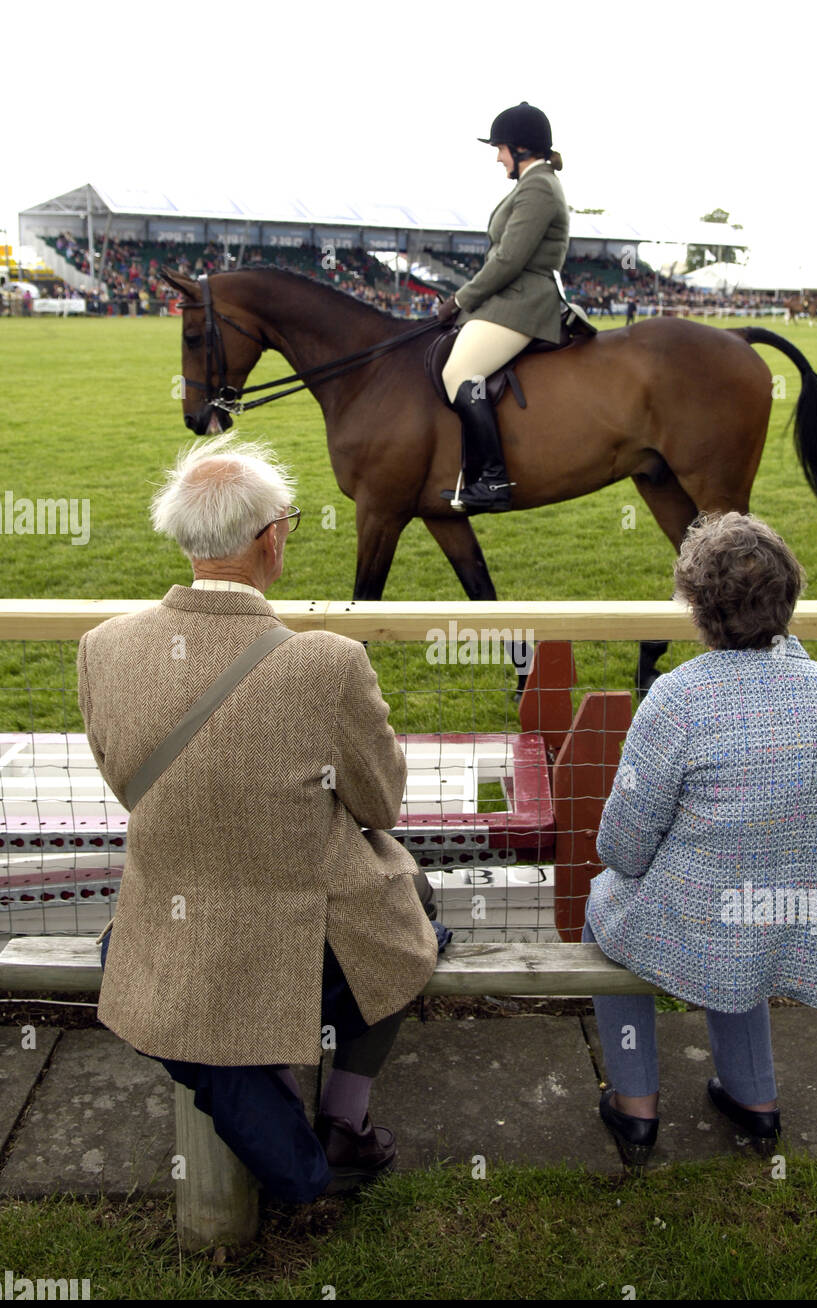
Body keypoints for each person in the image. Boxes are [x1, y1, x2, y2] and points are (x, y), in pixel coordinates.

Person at [77, 432, 440, 1203]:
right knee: (414, 918)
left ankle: (284, 1104)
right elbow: (380, 806)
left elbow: (131, 785)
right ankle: (343, 1118)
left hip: (168, 920)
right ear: (272, 538)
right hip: (301, 938)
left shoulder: (102, 648)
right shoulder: (326, 663)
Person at [583, 512, 817, 1168]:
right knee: (741, 921)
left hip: (721, 921)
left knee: (603, 910)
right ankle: (756, 1100)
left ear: (697, 604)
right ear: (788, 596)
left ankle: (636, 1110)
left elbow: (622, 851)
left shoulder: (677, 700)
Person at [435, 102, 570, 514]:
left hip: (524, 302)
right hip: (508, 298)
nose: (497, 157)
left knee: (458, 372)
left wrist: (460, 299)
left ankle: (493, 481)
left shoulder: (539, 187)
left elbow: (509, 259)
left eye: (501, 149)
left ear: (521, 149)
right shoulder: (532, 184)